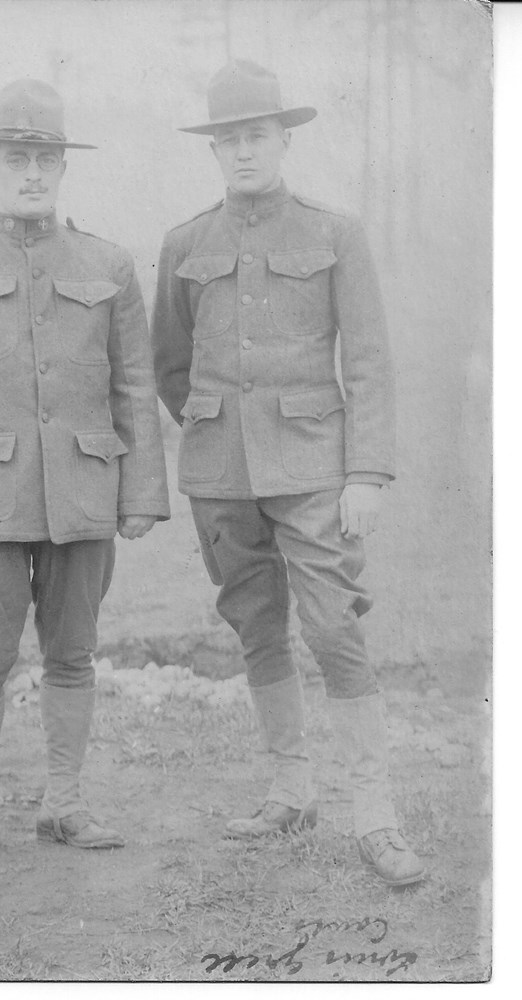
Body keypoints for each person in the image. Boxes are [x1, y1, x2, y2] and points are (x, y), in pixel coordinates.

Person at [151, 60, 423, 886]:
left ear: (284, 139)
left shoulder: (334, 233)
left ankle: (374, 811)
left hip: (315, 469)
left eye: (256, 136)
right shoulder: (185, 243)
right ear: (215, 148)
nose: (242, 152)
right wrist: (210, 433)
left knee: (335, 626)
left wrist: (366, 472)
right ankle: (291, 787)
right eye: (228, 139)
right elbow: (170, 364)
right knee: (256, 626)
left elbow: (369, 361)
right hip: (221, 475)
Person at [0, 79, 170, 871]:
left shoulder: (108, 262)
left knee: (73, 654)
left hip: (82, 494)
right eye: (15, 158)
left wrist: (143, 493)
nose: (31, 174)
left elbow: (134, 384)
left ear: (62, 167)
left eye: (45, 158)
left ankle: (64, 803)